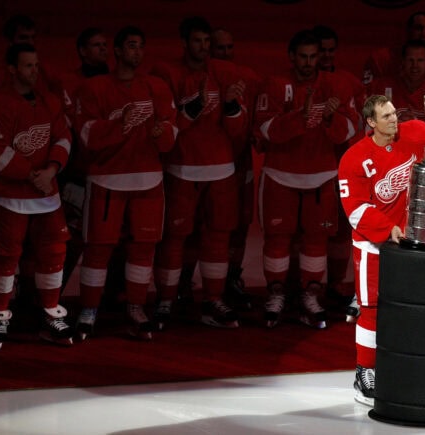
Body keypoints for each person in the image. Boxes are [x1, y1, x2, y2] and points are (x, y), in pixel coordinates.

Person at [74, 26, 177, 341]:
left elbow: (172, 133)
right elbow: (87, 135)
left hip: (148, 179)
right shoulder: (94, 88)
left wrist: (164, 135)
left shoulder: (156, 87)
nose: (137, 52)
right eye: (131, 46)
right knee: (98, 249)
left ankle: (136, 307)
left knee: (143, 249)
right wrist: (120, 125)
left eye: (140, 46)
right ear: (117, 51)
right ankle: (88, 310)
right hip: (107, 179)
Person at [254, 29, 358, 329]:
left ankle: (310, 297)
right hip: (280, 175)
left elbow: (350, 131)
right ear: (291, 57)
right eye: (303, 56)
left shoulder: (337, 85)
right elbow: (264, 130)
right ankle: (276, 295)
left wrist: (329, 119)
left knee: (316, 241)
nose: (310, 62)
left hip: (322, 175)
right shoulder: (274, 84)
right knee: (277, 240)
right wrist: (300, 116)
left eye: (314, 56)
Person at [151, 17, 247, 329]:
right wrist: (192, 108)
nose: (203, 48)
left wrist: (231, 105)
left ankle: (213, 300)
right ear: (184, 43)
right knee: (175, 238)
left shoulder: (226, 73)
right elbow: (168, 128)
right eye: (197, 41)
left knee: (217, 238)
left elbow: (237, 130)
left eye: (207, 42)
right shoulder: (166, 73)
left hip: (221, 169)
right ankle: (165, 301)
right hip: (182, 167)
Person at [337, 95, 425, 405]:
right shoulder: (353, 157)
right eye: (387, 116)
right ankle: (364, 373)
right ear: (371, 123)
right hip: (372, 245)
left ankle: (400, 367)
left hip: (408, 245)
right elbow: (355, 209)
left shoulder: (413, 134)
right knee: (372, 311)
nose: (394, 120)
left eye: (395, 113)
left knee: (406, 309)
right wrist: (387, 229)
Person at [0, 43, 74, 349]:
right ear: (12, 69)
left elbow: (63, 137)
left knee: (54, 252)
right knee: (4, 256)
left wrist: (50, 170)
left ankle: (51, 314)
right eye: (27, 66)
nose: (34, 71)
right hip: (8, 195)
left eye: (36, 65)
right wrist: (31, 175)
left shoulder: (49, 101)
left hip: (46, 193)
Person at [312, 24, 366, 322]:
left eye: (332, 50)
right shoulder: (301, 83)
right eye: (323, 50)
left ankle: (333, 286)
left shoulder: (350, 82)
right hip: (310, 167)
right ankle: (303, 288)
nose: (327, 56)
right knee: (308, 230)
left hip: (343, 165)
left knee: (341, 231)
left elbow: (358, 124)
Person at [209, 27, 263, 311]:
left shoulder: (250, 79)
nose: (226, 54)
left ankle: (232, 277)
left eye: (230, 48)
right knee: (203, 227)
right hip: (207, 165)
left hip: (240, 164)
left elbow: (255, 120)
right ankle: (185, 284)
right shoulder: (201, 80)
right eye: (220, 48)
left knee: (241, 224)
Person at [59, 27, 110, 291]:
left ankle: (111, 297)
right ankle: (50, 298)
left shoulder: (120, 81)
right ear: (82, 51)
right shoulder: (68, 83)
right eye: (96, 45)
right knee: (71, 239)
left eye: (105, 44)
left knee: (112, 241)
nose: (103, 49)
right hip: (78, 175)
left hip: (112, 175)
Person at [363, 11, 425, 95]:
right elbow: (365, 97)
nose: (423, 34)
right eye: (419, 28)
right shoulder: (380, 59)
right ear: (408, 30)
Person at [369, 39, 425, 123]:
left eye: (420, 60)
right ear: (403, 61)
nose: (415, 65)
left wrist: (415, 123)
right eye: (410, 60)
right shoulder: (382, 87)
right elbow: (371, 124)